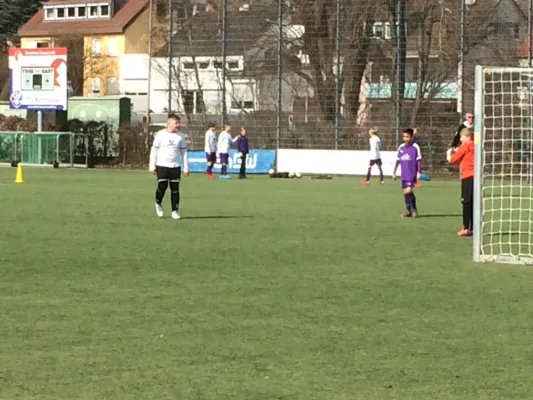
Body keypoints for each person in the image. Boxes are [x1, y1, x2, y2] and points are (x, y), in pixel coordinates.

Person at [148, 114, 189, 220]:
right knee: (162, 186)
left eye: (179, 123)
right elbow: (154, 149)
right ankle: (158, 202)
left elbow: (184, 152)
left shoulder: (181, 136)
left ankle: (175, 211)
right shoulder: (160, 134)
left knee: (175, 189)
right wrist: (152, 165)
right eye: (176, 123)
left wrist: (186, 167)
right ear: (169, 123)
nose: (178, 125)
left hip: (175, 166)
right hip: (161, 165)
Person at [448, 128, 475, 237]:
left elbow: (454, 159)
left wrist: (449, 156)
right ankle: (474, 227)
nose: (460, 139)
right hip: (476, 177)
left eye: (462, 137)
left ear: (468, 137)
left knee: (466, 202)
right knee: (474, 202)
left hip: (468, 176)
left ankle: (466, 228)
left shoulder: (466, 145)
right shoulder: (475, 146)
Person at [392, 128, 422, 218]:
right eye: (404, 136)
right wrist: (394, 171)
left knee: (409, 190)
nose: (405, 138)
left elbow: (419, 160)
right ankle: (408, 210)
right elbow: (398, 160)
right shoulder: (401, 147)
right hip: (404, 173)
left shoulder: (415, 147)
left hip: (411, 173)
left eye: (407, 137)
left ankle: (414, 209)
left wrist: (419, 172)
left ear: (412, 137)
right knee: (405, 192)